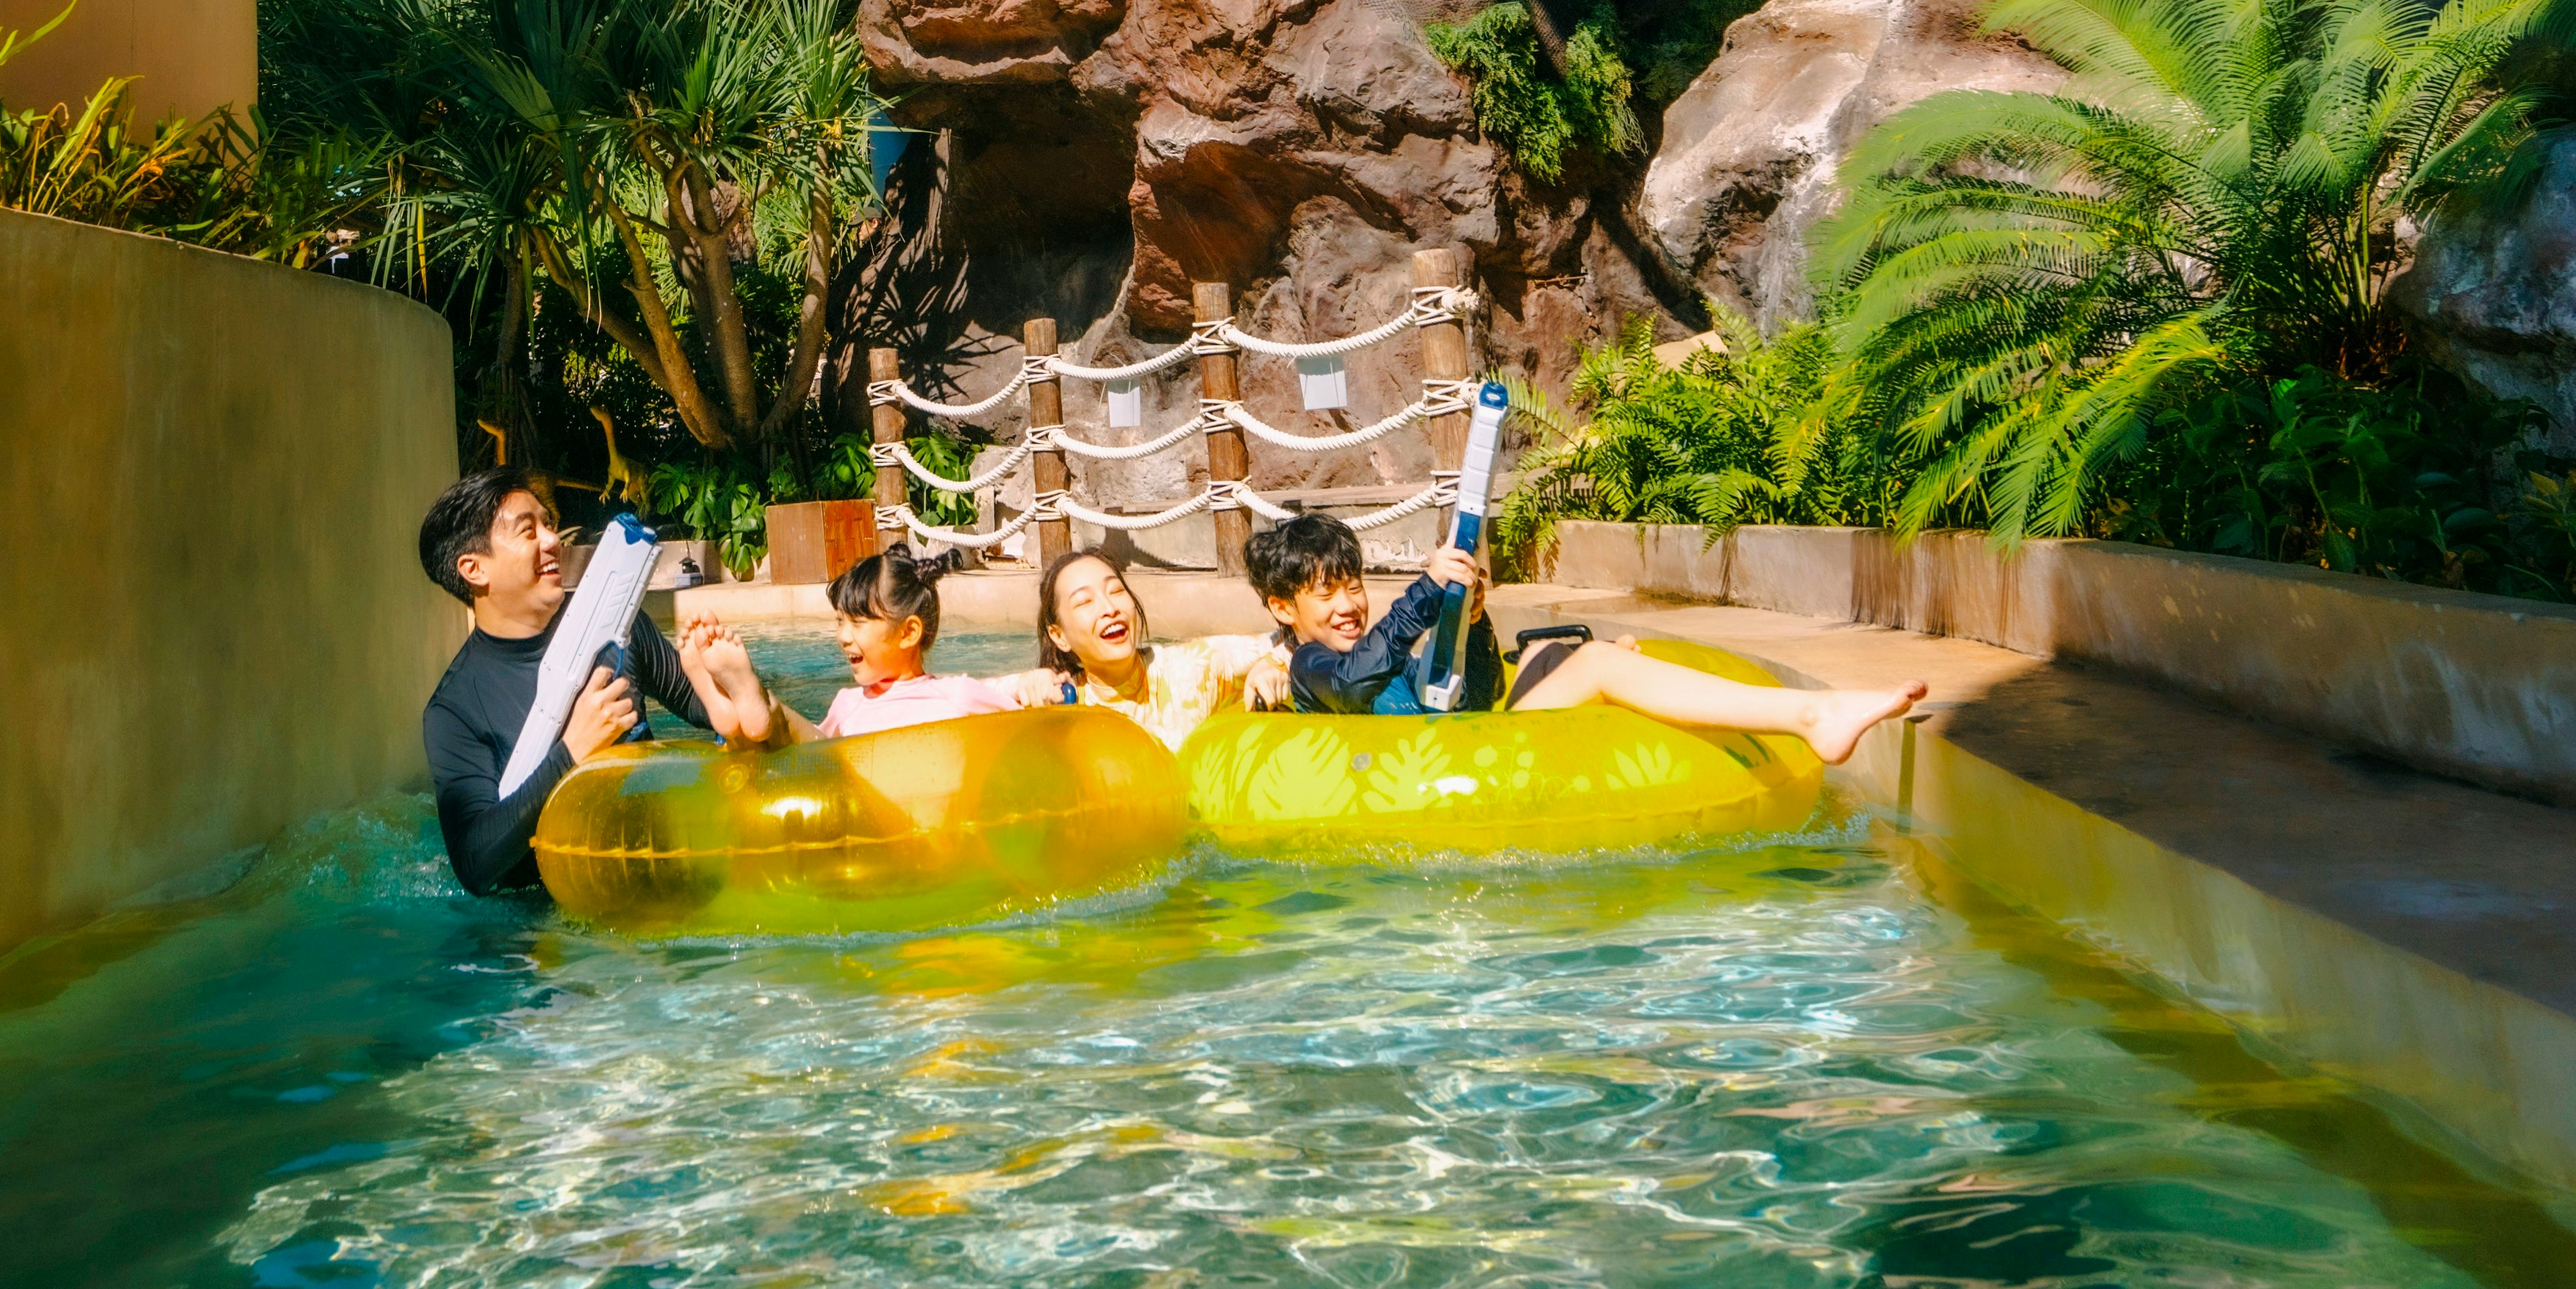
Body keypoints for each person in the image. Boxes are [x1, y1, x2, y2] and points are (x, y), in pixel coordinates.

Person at [1243, 514, 1923, 760]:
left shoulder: (1383, 649)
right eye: (1324, 593)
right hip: (1421, 777)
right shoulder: (1306, 665)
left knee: (1548, 653)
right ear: (1282, 606)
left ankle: (1757, 720)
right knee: (1596, 663)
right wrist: (1422, 593)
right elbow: (1357, 677)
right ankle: (1810, 715)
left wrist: (1473, 621)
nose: (1347, 603)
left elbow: (1473, 698)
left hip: (1460, 746)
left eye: (1352, 584)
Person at [417, 471, 783, 898]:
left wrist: (726, 685)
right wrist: (572, 751)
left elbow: (707, 709)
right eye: (527, 531)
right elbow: (475, 865)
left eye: (548, 524)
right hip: (551, 922)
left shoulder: (613, 627)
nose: (553, 541)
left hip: (659, 865)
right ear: (474, 569)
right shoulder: (456, 709)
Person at [811, 543, 1074, 737]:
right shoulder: (845, 707)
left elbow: (1034, 717)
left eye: (857, 623)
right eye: (840, 622)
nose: (843, 637)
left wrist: (1036, 683)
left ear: (908, 633)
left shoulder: (957, 698)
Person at [1035, 544, 1284, 749]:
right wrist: (1016, 685)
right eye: (1084, 602)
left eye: (1116, 590)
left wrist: (1275, 663)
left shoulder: (1192, 670)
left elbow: (1293, 637)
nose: (1110, 609)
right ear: (1059, 636)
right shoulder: (1059, 704)